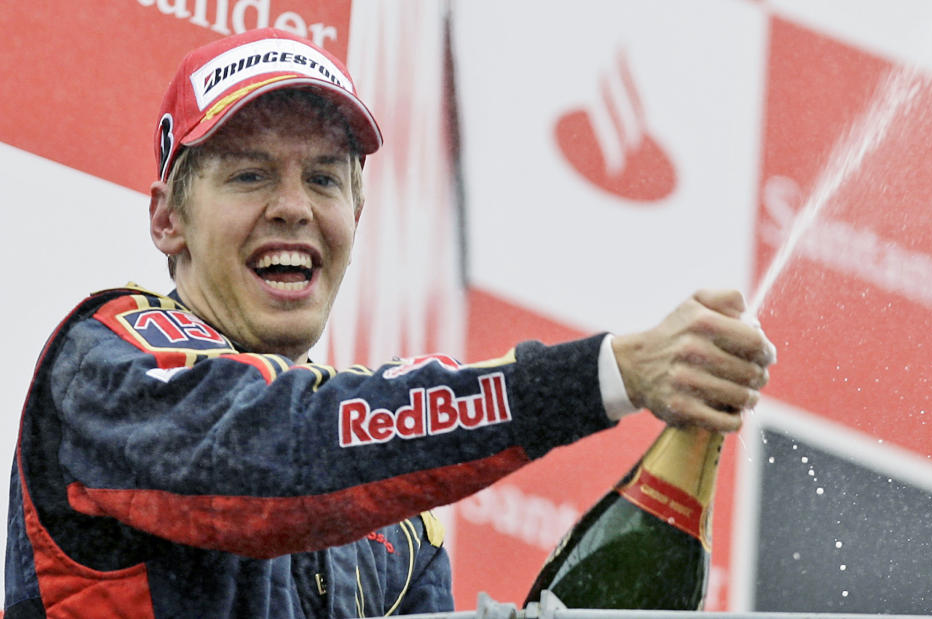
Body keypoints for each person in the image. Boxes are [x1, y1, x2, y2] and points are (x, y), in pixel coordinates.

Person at [3, 28, 775, 618]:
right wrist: (610, 374)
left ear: (358, 213)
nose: (294, 205)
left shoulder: (401, 536)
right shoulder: (110, 363)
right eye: (249, 173)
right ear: (169, 218)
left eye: (324, 178)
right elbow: (282, 450)